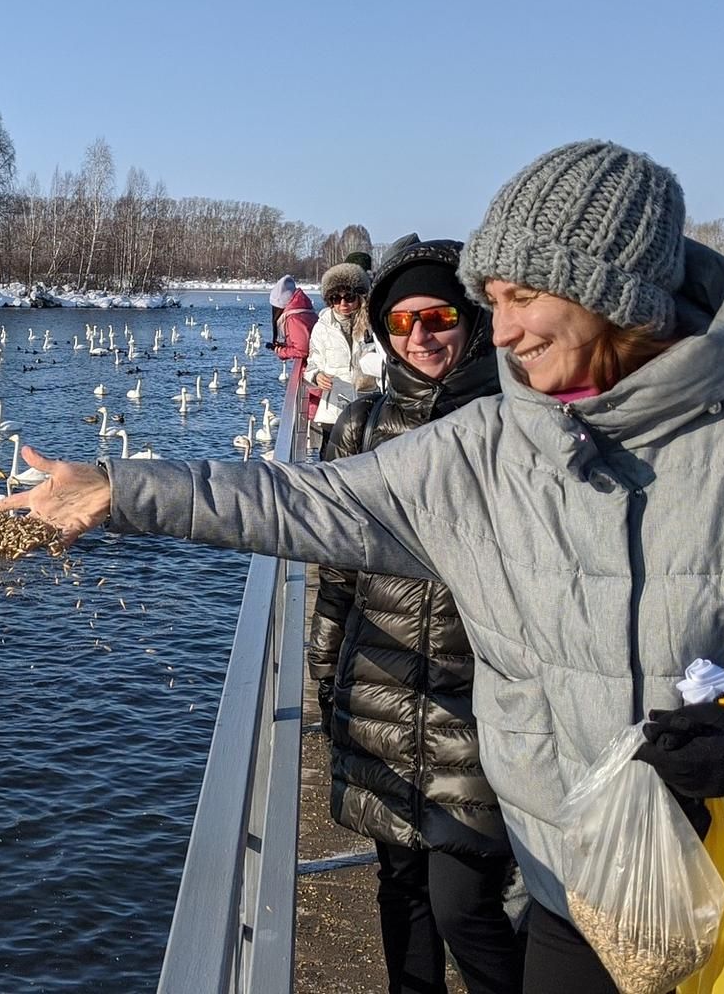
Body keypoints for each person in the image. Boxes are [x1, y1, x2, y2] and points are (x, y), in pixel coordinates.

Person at [1, 140, 724, 990]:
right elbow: (306, 500)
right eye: (491, 302)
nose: (497, 332)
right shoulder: (483, 449)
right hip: (577, 888)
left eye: (520, 299)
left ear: (614, 294)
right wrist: (120, 489)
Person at [310, 239, 519, 994]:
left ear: (472, 320)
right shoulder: (361, 428)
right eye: (400, 324)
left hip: (476, 706)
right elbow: (336, 573)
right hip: (381, 693)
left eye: (436, 317)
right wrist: (326, 679)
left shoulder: (514, 427)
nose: (420, 338)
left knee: (464, 904)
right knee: (399, 892)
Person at [306, 261, 378, 448]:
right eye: (336, 299)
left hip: (368, 405)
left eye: (349, 297)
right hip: (334, 408)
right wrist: (316, 376)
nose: (343, 304)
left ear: (360, 296)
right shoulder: (322, 327)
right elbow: (312, 362)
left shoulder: (374, 325)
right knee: (332, 461)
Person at [270, 274, 317, 376]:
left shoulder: (294, 319)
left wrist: (281, 352)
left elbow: (302, 350)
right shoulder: (306, 311)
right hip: (317, 368)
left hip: (313, 371)